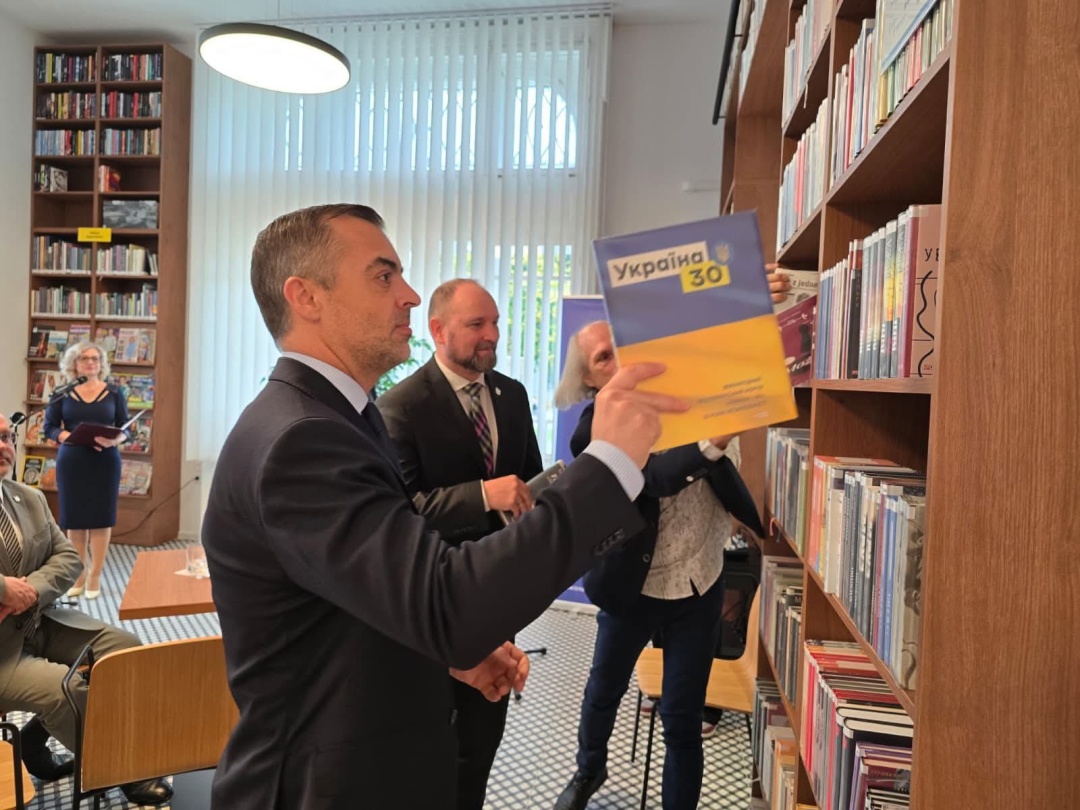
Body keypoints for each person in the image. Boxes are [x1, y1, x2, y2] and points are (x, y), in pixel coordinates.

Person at [200, 203, 687, 810]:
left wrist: (441, 658)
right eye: (383, 276)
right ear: (306, 297)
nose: (408, 294)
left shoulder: (338, 417)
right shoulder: (303, 439)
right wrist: (609, 465)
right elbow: (445, 601)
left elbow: (358, 595)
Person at [550, 317, 774, 810]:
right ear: (588, 379)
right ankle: (588, 771)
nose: (620, 361)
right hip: (634, 586)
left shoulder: (685, 399)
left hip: (700, 584)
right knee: (604, 689)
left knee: (682, 718)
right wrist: (712, 441)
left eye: (623, 347)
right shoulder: (591, 430)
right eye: (604, 357)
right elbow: (655, 478)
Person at [378, 278, 543, 810]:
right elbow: (402, 511)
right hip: (433, 599)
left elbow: (530, 478)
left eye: (495, 322)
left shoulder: (512, 396)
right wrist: (483, 495)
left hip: (499, 595)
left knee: (481, 740)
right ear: (437, 330)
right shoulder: (400, 406)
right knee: (428, 745)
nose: (491, 334)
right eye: (476, 324)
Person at [0, 413, 171, 806]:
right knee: (64, 690)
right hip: (1, 652)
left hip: (40, 620)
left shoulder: (28, 498)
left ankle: (34, 741)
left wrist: (30, 590)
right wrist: (3, 588)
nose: (3, 447)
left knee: (125, 649)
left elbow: (68, 558)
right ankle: (121, 768)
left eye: (7, 437)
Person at [43, 341, 129, 599]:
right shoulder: (61, 393)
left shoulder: (114, 392)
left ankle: (95, 575)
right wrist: (67, 436)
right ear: (74, 363)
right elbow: (49, 427)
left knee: (101, 519)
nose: (91, 363)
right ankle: (78, 575)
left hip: (105, 460)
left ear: (101, 364)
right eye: (85, 358)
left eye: (95, 359)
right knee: (75, 520)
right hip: (73, 460)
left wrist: (115, 439)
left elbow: (126, 427)